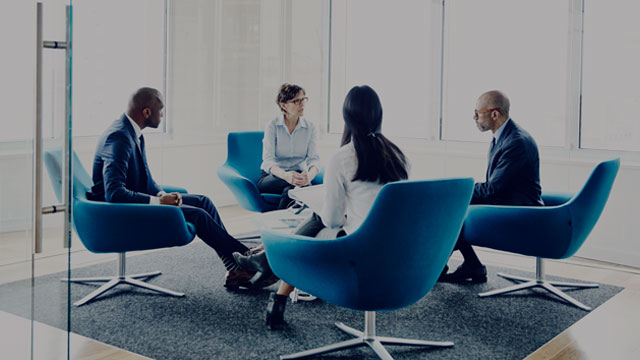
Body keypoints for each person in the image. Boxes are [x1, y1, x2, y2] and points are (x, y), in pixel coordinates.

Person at [234, 85, 409, 329]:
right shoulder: (399, 156)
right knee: (316, 214)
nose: (302, 104)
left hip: (359, 250)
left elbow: (334, 221)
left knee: (317, 219)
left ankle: (271, 272)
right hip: (402, 254)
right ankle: (268, 268)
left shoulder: (344, 157)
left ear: (347, 117)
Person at [86, 87, 275, 290]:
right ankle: (249, 259)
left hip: (132, 204)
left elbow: (145, 179)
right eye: (161, 110)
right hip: (117, 214)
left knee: (203, 202)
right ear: (146, 112)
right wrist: (159, 202)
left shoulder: (133, 132)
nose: (163, 115)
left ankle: (236, 268)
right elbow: (114, 194)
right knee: (198, 215)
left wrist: (161, 194)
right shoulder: (119, 137)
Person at [440, 90, 543, 283]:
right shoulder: (505, 136)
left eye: (478, 113)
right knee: (453, 212)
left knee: (453, 212)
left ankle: (441, 265)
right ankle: (468, 265)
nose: (474, 117)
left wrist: (458, 192)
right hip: (508, 200)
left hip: (520, 210)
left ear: (494, 114)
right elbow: (495, 186)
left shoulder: (516, 142)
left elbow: (492, 189)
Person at [258, 83, 321, 209]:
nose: (302, 104)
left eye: (303, 99)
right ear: (284, 105)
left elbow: (313, 159)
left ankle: (280, 224)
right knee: (299, 189)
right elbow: (268, 161)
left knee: (292, 190)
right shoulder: (272, 126)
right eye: (296, 101)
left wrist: (309, 176)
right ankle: (290, 226)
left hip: (298, 176)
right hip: (274, 176)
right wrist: (286, 175)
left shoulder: (310, 127)